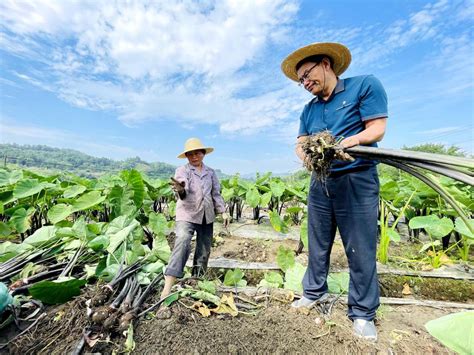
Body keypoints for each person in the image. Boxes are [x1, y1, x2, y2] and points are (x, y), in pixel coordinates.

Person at [281, 42, 387, 342]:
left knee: (360, 247)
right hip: (321, 181)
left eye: (307, 74)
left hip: (356, 178)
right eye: (301, 80)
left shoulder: (363, 86)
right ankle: (313, 293)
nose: (304, 83)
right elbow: (300, 142)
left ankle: (363, 313)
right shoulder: (309, 109)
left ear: (325, 64)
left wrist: (348, 143)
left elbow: (377, 127)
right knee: (318, 241)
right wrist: (308, 157)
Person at [160, 137, 229, 299]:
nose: (194, 156)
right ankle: (168, 285)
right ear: (187, 156)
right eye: (190, 154)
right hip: (187, 214)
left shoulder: (210, 173)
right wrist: (179, 189)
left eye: (197, 153)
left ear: (203, 153)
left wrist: (223, 211)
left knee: (204, 249)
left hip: (207, 215)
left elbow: (215, 194)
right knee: (183, 240)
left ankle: (196, 280)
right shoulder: (182, 171)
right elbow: (182, 186)